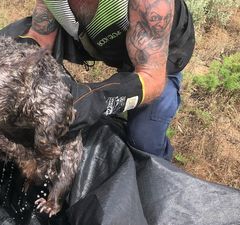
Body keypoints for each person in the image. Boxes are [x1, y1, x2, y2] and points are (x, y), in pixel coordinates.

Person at [18, 0, 195, 161]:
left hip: (160, 56)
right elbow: (40, 36)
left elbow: (152, 79)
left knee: (143, 139)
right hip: (102, 40)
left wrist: (96, 100)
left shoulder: (150, 4)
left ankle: (160, 175)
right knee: (16, 42)